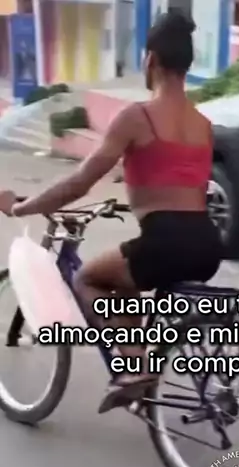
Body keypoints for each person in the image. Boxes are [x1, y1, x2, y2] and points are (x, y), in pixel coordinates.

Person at [0, 11, 223, 413]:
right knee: (126, 278)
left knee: (88, 278)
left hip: (166, 240)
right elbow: (178, 181)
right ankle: (141, 368)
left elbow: (78, 182)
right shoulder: (203, 124)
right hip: (207, 242)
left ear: (150, 59)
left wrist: (21, 207)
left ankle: (134, 370)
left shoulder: (137, 116)